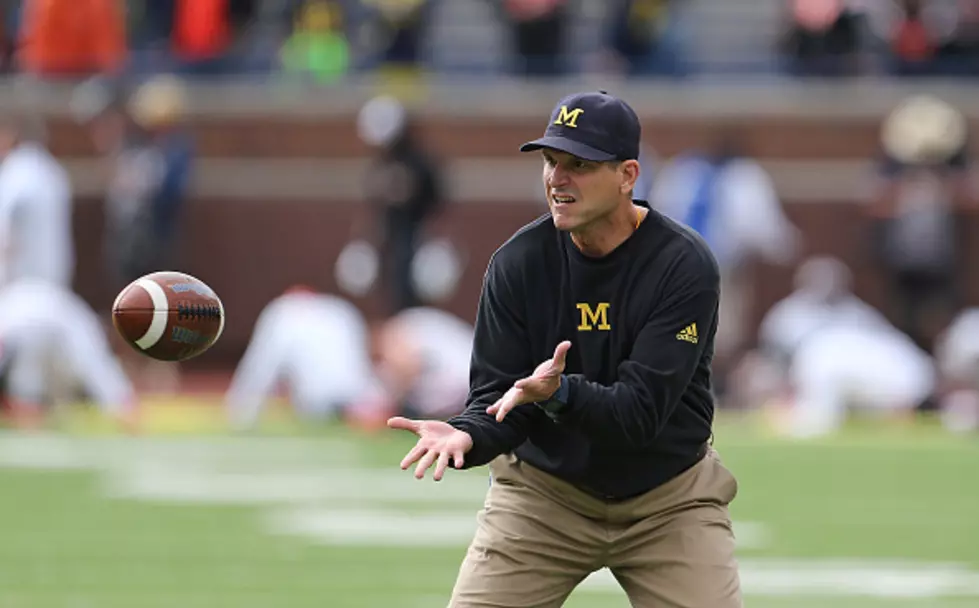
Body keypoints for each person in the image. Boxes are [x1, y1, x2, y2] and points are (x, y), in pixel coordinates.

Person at [388, 91, 741, 607]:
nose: (557, 178)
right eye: (551, 161)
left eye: (579, 164)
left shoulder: (681, 265)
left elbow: (639, 415)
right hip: (543, 495)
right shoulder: (518, 263)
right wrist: (468, 433)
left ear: (627, 175)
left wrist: (558, 392)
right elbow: (498, 399)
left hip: (667, 499)